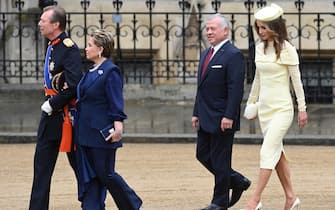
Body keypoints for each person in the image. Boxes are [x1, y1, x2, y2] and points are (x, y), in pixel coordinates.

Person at [242, 3, 308, 210]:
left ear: (274, 27)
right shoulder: (260, 49)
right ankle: (290, 197)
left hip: (282, 109)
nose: (260, 32)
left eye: (264, 28)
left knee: (266, 151)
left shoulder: (288, 50)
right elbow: (258, 79)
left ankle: (255, 199)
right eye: (258, 28)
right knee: (276, 153)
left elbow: (297, 82)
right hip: (265, 110)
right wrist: (251, 102)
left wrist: (302, 108)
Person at [75, 29, 142, 210]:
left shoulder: (110, 71)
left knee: (106, 174)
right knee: (91, 174)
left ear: (100, 49)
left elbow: (115, 101)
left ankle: (132, 205)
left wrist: (118, 127)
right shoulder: (90, 71)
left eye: (89, 45)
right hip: (85, 132)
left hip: (102, 133)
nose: (86, 48)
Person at [191, 13, 251, 210]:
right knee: (202, 154)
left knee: (220, 159)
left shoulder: (233, 55)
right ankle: (237, 180)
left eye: (213, 28)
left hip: (222, 117)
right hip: (205, 115)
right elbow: (201, 87)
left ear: (225, 31)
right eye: (207, 28)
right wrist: (196, 112)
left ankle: (219, 202)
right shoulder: (205, 54)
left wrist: (229, 115)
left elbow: (235, 89)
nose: (208, 32)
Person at [29, 5, 83, 210]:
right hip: (51, 116)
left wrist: (52, 103)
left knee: (79, 166)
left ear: (56, 24)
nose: (39, 24)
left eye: (43, 20)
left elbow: (74, 85)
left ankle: (92, 203)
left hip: (66, 117)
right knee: (41, 167)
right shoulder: (53, 45)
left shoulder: (68, 48)